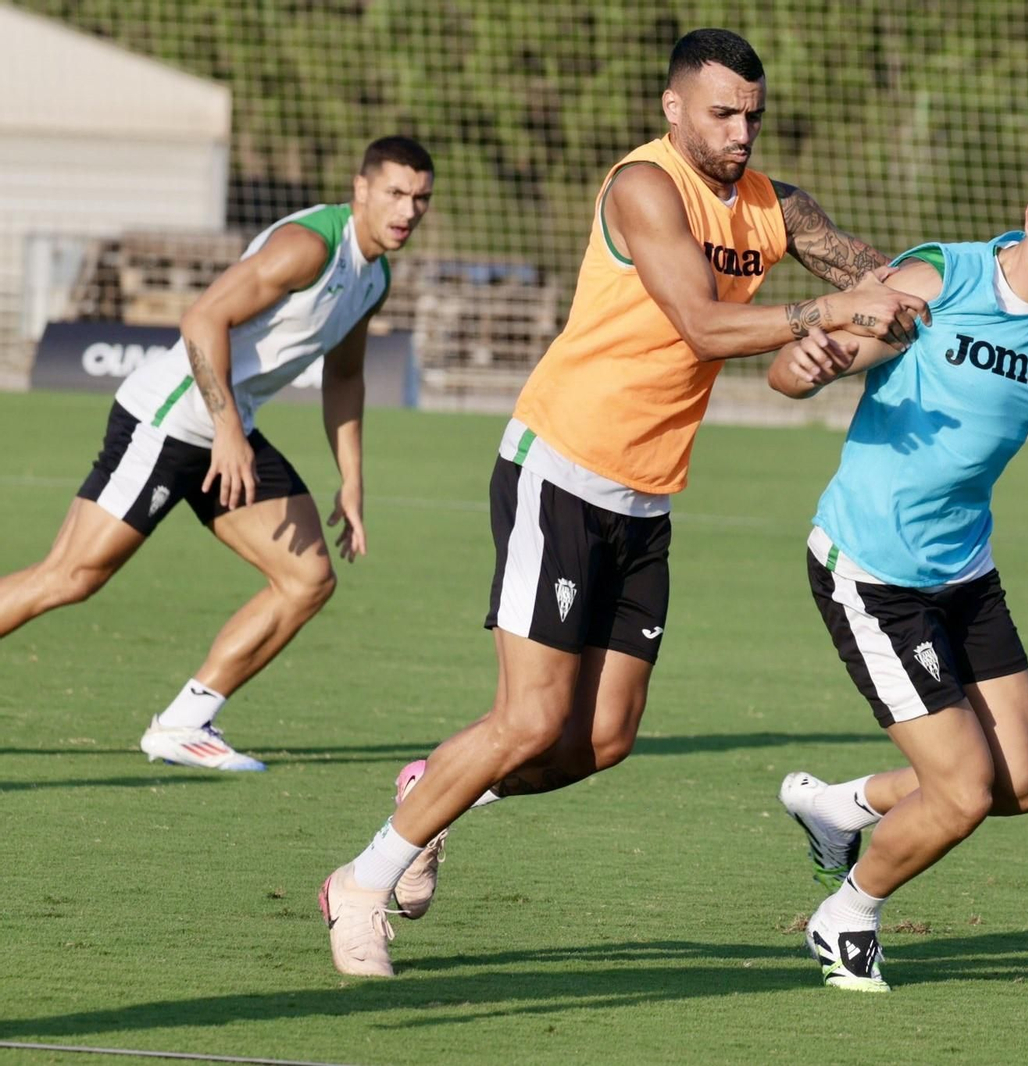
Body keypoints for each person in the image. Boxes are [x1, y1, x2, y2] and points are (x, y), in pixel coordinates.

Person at [317, 28, 933, 977]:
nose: (740, 133)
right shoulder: (643, 188)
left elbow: (879, 271)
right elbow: (703, 322)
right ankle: (360, 883)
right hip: (558, 470)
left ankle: (436, 791)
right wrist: (829, 312)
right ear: (674, 107)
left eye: (753, 116)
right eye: (723, 113)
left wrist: (1002, 299)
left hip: (644, 499)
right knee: (527, 721)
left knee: (602, 740)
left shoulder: (774, 206)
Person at [767, 153, 1028, 992]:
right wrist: (801, 370)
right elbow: (805, 362)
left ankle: (840, 807)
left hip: (964, 569)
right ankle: (846, 915)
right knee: (960, 793)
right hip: (872, 571)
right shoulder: (937, 280)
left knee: (1017, 786)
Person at [0, 136, 435, 772]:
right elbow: (203, 316)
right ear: (361, 189)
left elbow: (344, 377)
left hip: (227, 430)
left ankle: (184, 724)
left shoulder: (374, 278)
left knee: (307, 578)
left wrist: (352, 481)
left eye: (420, 198)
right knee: (70, 577)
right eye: (395, 193)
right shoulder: (309, 246)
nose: (407, 210)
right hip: (169, 418)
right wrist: (228, 430)